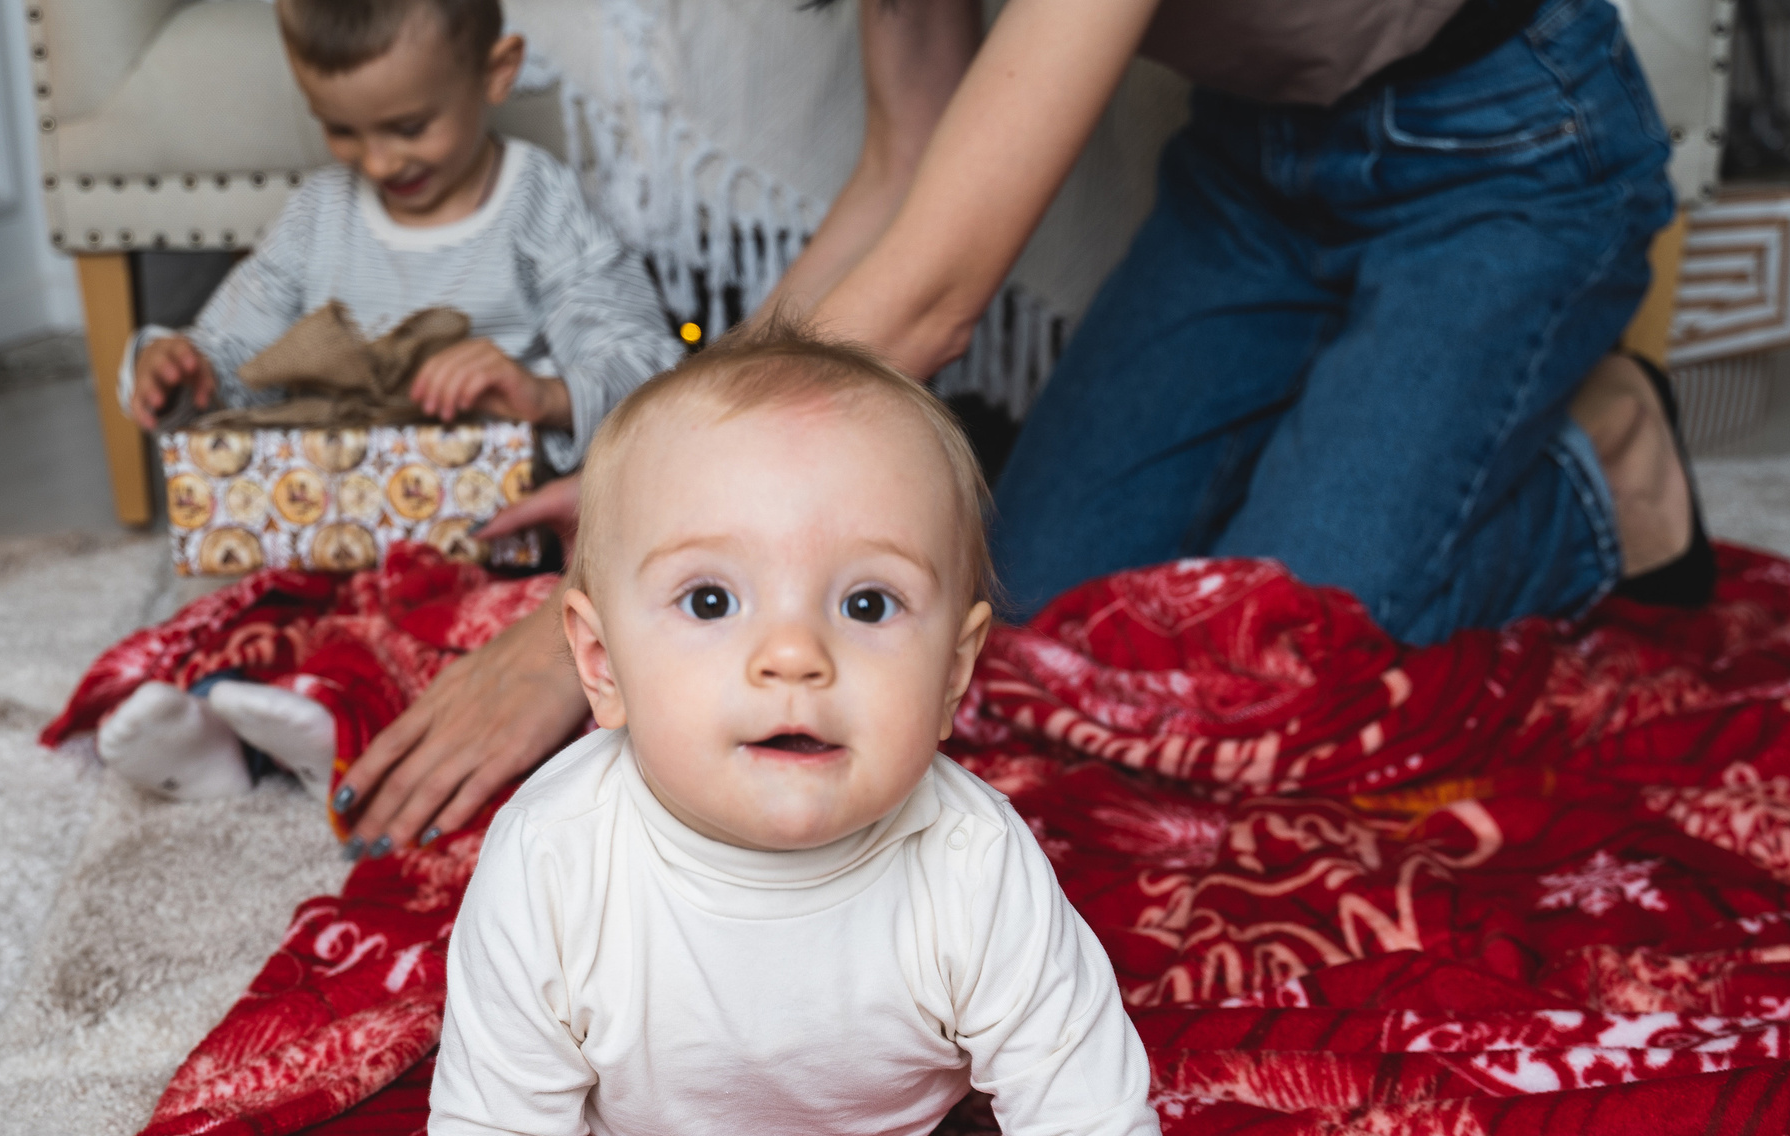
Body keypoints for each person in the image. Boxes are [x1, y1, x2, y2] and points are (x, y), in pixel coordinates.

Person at [329, 0, 1703, 853]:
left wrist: (624, 553)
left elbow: (927, 301)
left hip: (1506, 151)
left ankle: (1605, 463)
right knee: (1039, 611)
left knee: (1273, 661)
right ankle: (1369, 406)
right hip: (1257, 168)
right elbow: (906, 162)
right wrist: (666, 445)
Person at [426, 324, 1175, 1136]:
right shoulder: (553, 862)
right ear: (600, 660)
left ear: (956, 675)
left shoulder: (973, 866)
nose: (792, 655)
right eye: (711, 597)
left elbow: (1090, 1122)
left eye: (868, 603)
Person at [94, 0, 681, 804]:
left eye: (409, 125)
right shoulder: (318, 218)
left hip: (483, 537)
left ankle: (323, 720)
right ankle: (222, 730)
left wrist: (541, 393)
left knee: (525, 625)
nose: (376, 159)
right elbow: (234, 353)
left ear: (495, 73)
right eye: (341, 130)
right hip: (335, 523)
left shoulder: (538, 206)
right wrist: (179, 363)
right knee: (260, 598)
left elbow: (644, 361)